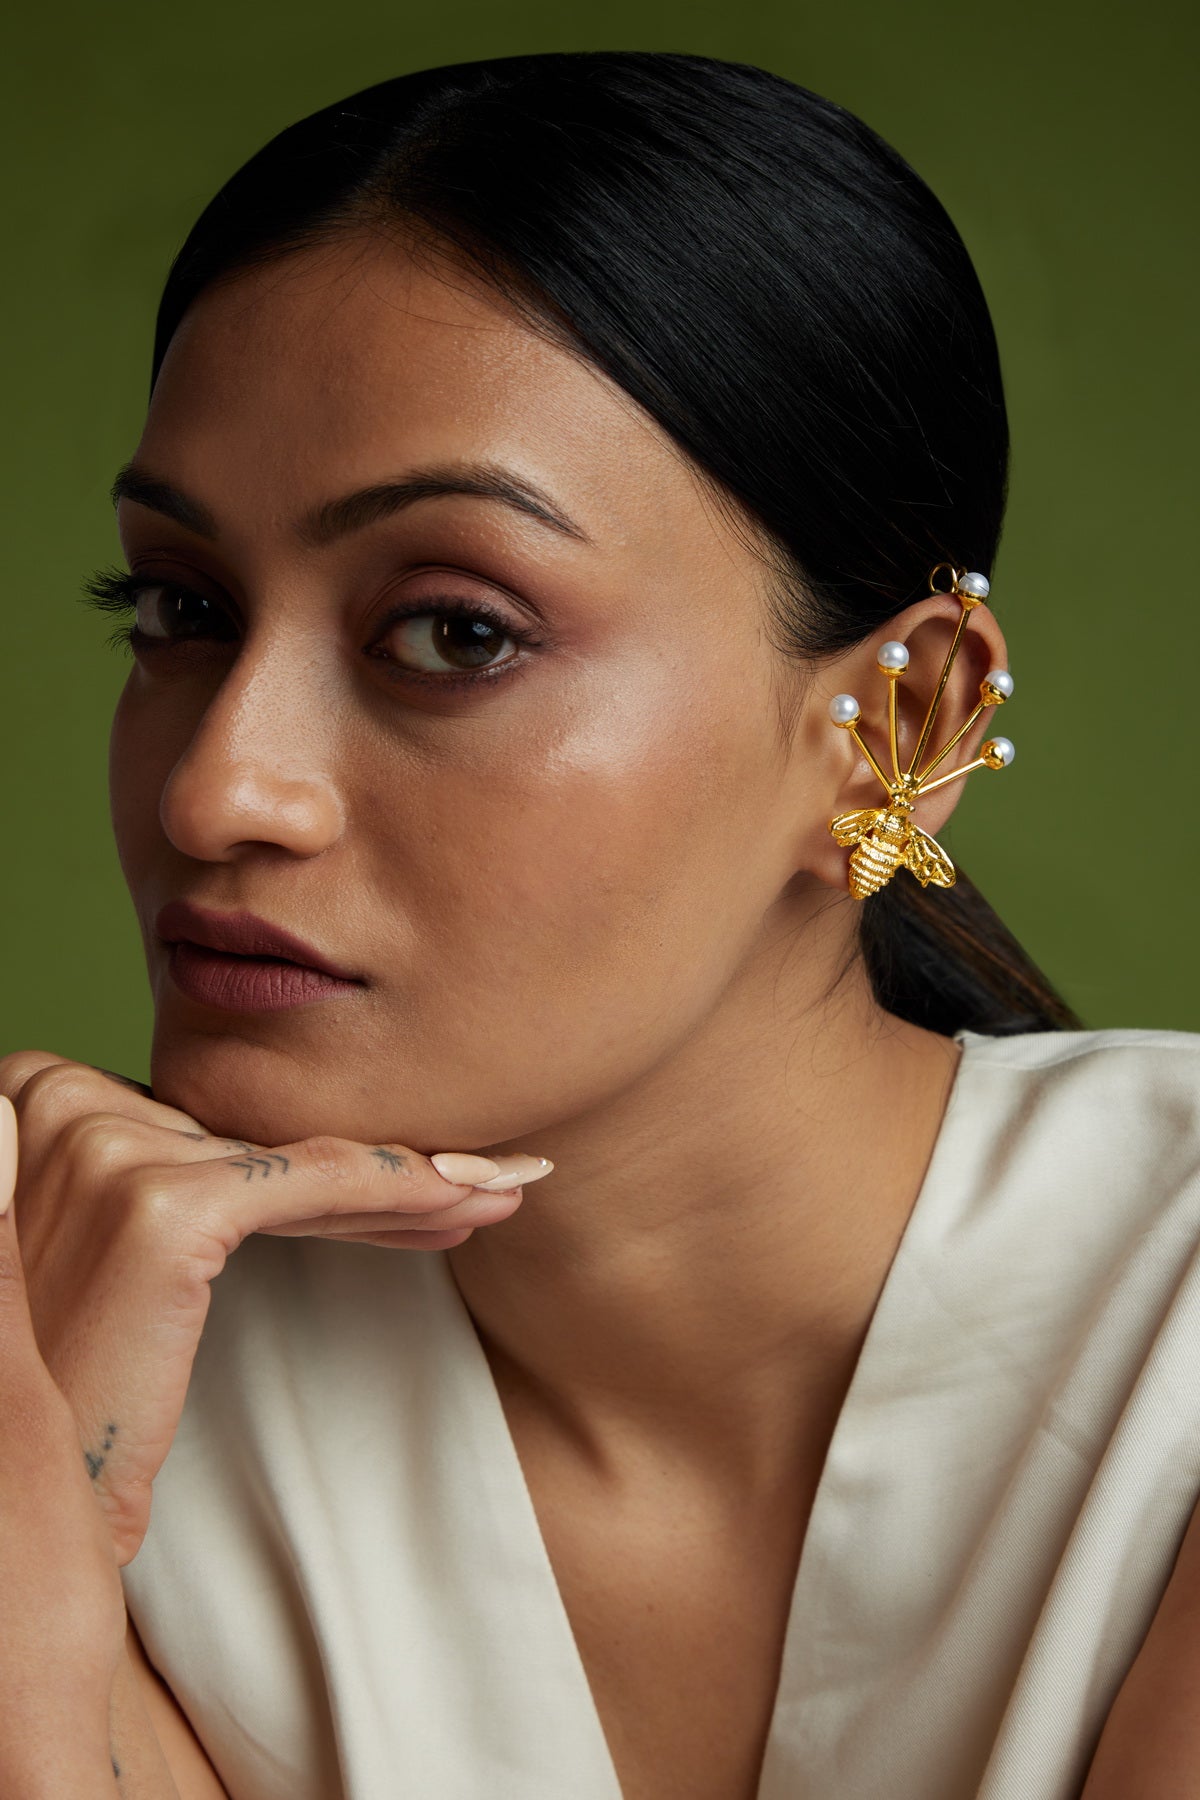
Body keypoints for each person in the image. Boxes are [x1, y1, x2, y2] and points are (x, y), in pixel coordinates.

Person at [1, 47, 1197, 1800]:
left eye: (455, 631)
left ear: (901, 725)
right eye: (183, 607)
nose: (217, 791)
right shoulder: (60, 1343)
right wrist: (36, 1536)